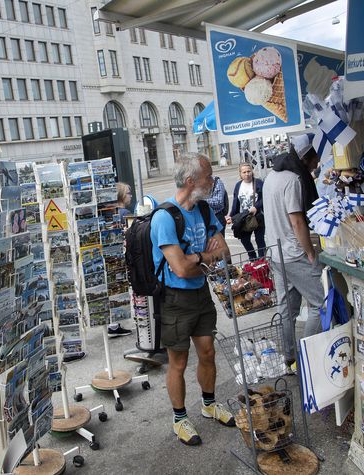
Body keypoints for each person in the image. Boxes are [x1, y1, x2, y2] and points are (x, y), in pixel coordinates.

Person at [151, 152, 235, 446]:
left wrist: (203, 256)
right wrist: (205, 256)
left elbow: (224, 252)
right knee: (178, 361)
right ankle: (179, 418)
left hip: (201, 293)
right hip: (174, 299)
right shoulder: (164, 217)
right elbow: (182, 268)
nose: (213, 181)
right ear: (191, 181)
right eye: (208, 176)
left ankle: (209, 404)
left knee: (208, 352)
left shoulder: (202, 210)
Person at [263, 144, 324, 371]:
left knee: (287, 310)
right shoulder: (293, 180)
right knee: (321, 304)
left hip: (275, 253)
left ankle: (290, 359)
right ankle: (307, 359)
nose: (316, 165)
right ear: (305, 159)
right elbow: (297, 221)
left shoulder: (271, 177)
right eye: (315, 160)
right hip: (293, 253)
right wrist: (310, 252)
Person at [109, 182, 133, 338]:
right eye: (128, 192)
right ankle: (115, 324)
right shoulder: (125, 212)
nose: (130, 195)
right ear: (122, 195)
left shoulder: (112, 211)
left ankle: (113, 324)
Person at [226, 163, 265, 260]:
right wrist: (231, 216)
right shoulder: (238, 185)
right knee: (244, 239)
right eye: (244, 172)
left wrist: (256, 207)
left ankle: (262, 260)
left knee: (259, 240)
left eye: (249, 171)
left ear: (252, 172)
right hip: (245, 217)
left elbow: (265, 197)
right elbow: (236, 203)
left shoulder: (258, 182)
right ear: (240, 174)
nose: (247, 174)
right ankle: (252, 258)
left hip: (258, 216)